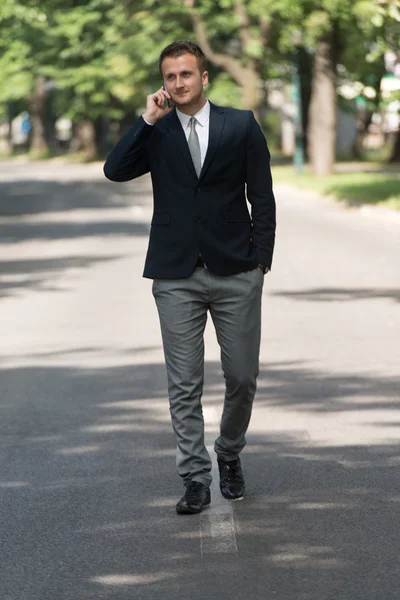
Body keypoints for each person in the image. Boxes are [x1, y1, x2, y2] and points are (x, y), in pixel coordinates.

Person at [103, 40, 276, 515]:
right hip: (176, 272)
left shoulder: (239, 124)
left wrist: (261, 261)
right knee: (184, 383)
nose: (178, 83)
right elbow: (114, 170)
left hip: (236, 270)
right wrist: (146, 120)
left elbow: (262, 195)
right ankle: (195, 477)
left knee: (242, 376)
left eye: (186, 74)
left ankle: (229, 451)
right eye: (170, 76)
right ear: (164, 83)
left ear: (204, 78)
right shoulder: (155, 132)